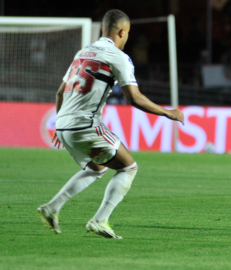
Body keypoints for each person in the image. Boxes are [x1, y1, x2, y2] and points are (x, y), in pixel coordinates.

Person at [37, 9, 184, 239]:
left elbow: (59, 93)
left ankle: (52, 208)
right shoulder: (118, 57)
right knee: (128, 167)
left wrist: (59, 125)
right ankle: (100, 220)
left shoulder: (83, 52)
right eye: (127, 34)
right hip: (85, 125)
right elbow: (134, 98)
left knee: (97, 167)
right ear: (122, 32)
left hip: (63, 124)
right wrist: (168, 113)